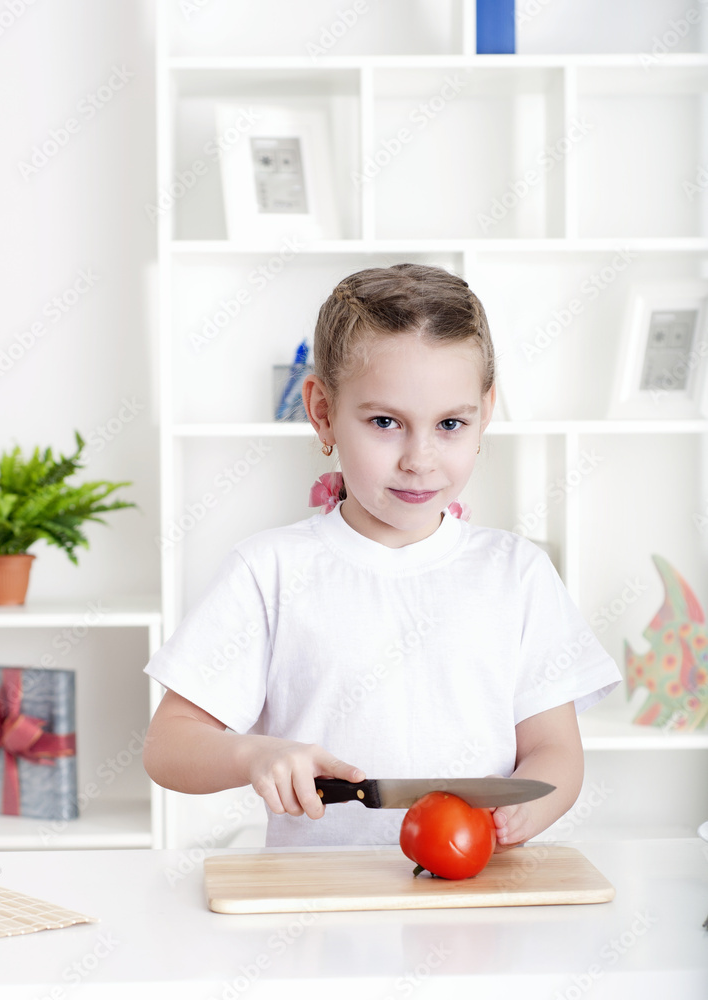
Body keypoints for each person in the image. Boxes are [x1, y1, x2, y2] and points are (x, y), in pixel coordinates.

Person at [142, 263, 622, 850]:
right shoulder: (269, 572)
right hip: (316, 909)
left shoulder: (517, 574)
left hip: (473, 904)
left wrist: (526, 806)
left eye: (450, 423)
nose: (420, 459)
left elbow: (555, 748)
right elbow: (169, 747)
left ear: (485, 413)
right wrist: (253, 754)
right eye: (385, 422)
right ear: (322, 412)